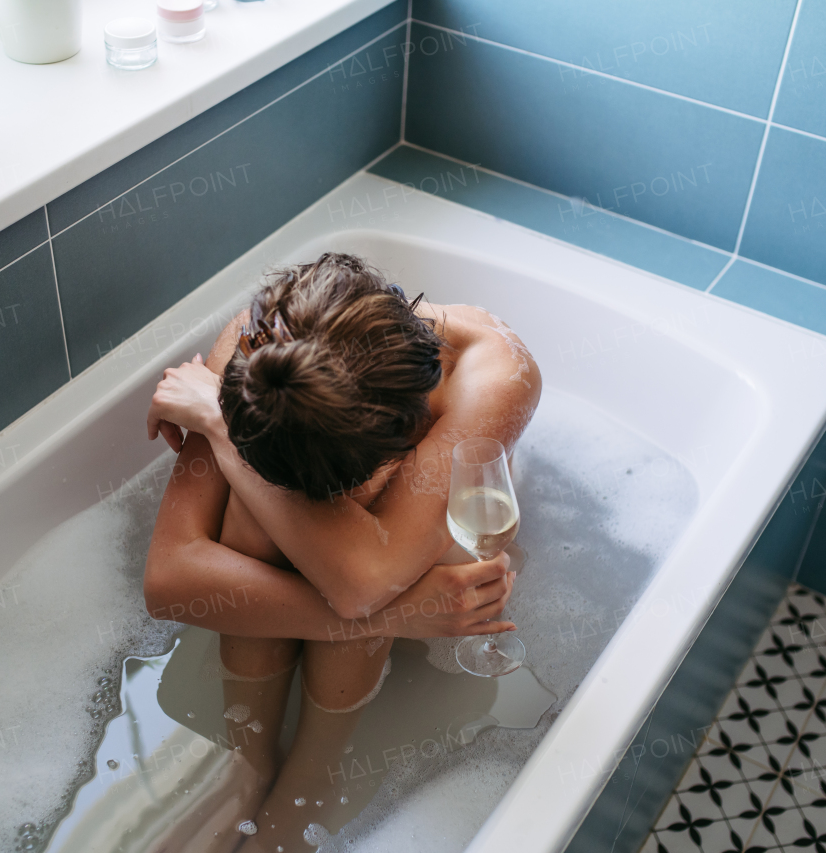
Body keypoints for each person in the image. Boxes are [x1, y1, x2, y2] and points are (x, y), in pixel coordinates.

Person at [143, 253, 541, 851]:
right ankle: (246, 762)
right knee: (258, 514)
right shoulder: (261, 359)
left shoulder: (491, 374)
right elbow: (169, 579)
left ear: (412, 426)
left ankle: (314, 769)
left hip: (438, 585)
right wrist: (229, 429)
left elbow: (366, 581)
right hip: (402, 605)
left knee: (350, 540)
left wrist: (218, 429)